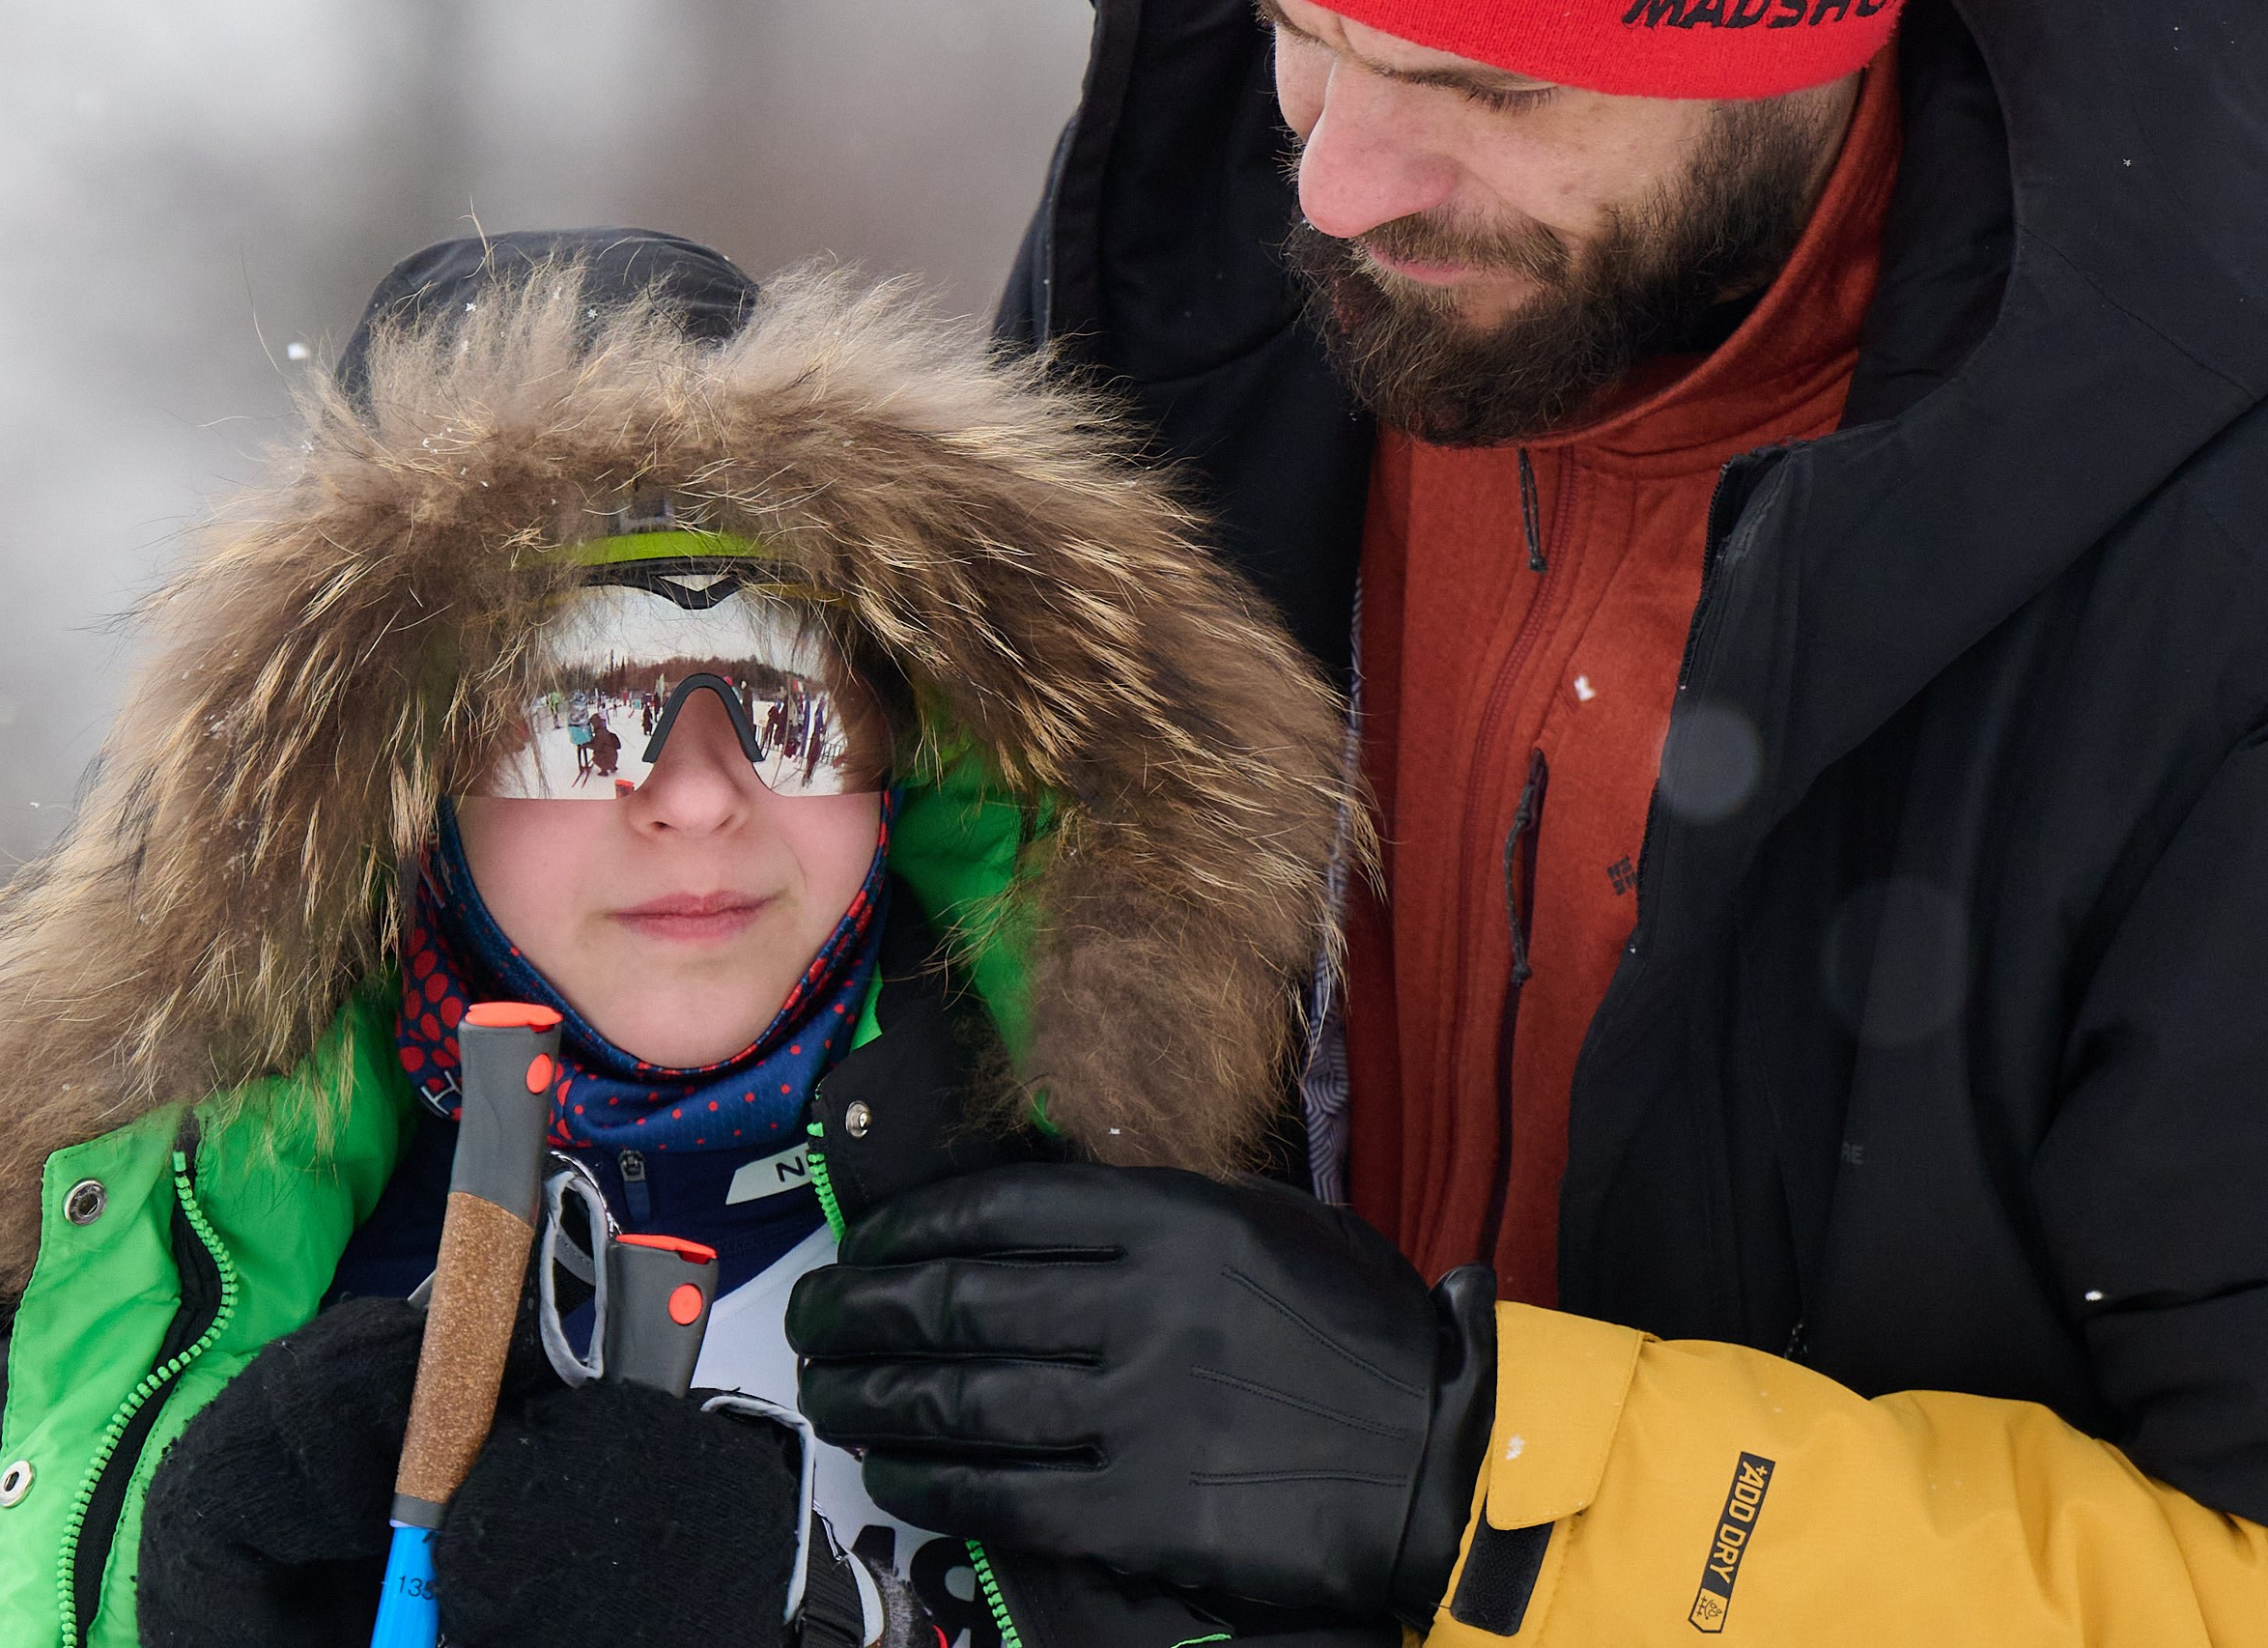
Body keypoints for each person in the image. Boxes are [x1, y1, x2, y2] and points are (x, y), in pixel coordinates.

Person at [787, 0, 2268, 1641]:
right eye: (1303, 30)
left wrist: (1464, 1483)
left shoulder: (2203, 543)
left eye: (1486, 83)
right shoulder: (1195, 198)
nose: (1335, 184)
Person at [0, 231, 1371, 1648]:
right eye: (583, 717)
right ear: (403, 789)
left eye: (781, 702)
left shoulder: (1192, 1267)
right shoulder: (122, 1322)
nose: (699, 796)